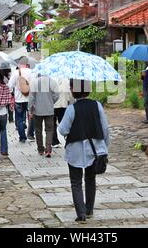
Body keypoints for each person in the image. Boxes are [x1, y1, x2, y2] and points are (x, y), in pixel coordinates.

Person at [58, 80, 110, 223]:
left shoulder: (71, 109)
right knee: (90, 179)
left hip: (75, 151)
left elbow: (62, 130)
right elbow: (105, 128)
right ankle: (89, 210)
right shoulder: (97, 105)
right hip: (95, 150)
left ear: (73, 90)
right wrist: (105, 147)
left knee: (76, 182)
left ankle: (80, 214)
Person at [28, 74, 59, 157]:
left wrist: (30, 109)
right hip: (49, 110)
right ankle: (48, 149)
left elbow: (31, 97)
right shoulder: (52, 81)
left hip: (37, 110)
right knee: (49, 129)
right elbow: (57, 95)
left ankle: (40, 149)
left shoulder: (34, 82)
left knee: (38, 130)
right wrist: (51, 102)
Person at [8, 57, 33, 143]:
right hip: (30, 98)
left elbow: (10, 86)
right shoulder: (31, 72)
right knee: (30, 116)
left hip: (19, 99)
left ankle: (22, 137)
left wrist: (12, 93)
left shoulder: (15, 73)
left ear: (19, 64)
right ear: (27, 64)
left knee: (19, 118)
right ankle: (31, 134)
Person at [52, 78, 74, 148]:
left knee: (52, 124)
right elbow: (70, 94)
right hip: (63, 105)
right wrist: (71, 104)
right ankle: (68, 139)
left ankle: (54, 141)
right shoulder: (66, 80)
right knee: (65, 124)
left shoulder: (51, 80)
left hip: (53, 106)